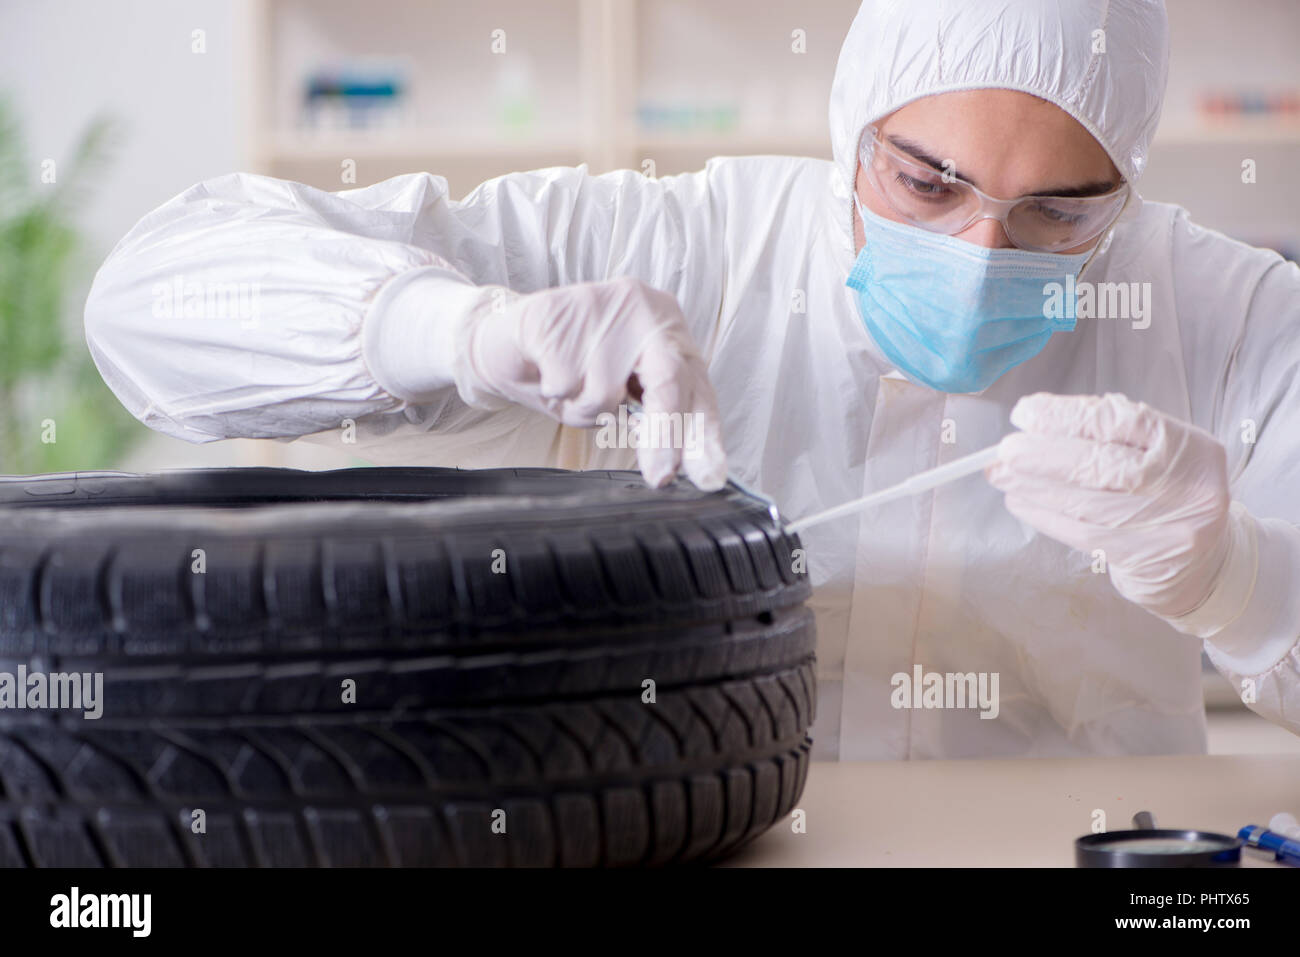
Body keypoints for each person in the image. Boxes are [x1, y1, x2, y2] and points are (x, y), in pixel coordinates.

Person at [84, 0, 1300, 760]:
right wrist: (463, 329)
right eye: (925, 185)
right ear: (854, 128)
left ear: (1125, 192)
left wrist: (1235, 580)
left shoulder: (1231, 314)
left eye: (1055, 212)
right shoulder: (676, 245)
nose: (980, 259)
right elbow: (147, 311)